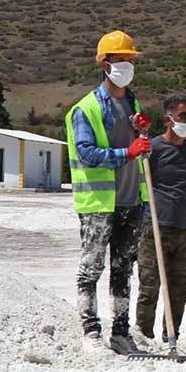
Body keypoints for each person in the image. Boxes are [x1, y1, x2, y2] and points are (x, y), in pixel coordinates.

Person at [66, 30, 153, 354]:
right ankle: (90, 334)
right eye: (121, 60)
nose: (128, 65)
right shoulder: (86, 109)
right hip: (99, 202)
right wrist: (127, 153)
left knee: (123, 269)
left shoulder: (132, 102)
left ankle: (120, 333)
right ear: (105, 64)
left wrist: (143, 135)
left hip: (131, 199)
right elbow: (87, 151)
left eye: (131, 59)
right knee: (91, 268)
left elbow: (138, 147)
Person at [135, 93, 186, 343]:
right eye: (183, 115)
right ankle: (143, 336)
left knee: (179, 289)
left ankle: (171, 334)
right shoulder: (153, 148)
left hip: (184, 229)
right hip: (155, 228)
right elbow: (142, 183)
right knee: (149, 287)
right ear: (168, 119)